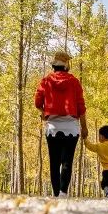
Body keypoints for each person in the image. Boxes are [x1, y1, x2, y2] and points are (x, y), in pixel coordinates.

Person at [34, 50, 87, 197]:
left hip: (53, 127)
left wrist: (44, 113)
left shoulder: (46, 81)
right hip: (71, 127)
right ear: (66, 65)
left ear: (54, 65)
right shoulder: (74, 82)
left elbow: (37, 102)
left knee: (54, 161)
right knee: (67, 161)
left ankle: (56, 194)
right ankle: (63, 193)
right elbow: (81, 107)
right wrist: (84, 127)